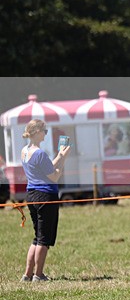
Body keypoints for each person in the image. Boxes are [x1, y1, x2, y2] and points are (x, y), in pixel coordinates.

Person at [20, 119, 71, 282]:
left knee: (37, 236)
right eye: (45, 131)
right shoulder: (40, 153)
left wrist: (59, 156)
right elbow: (54, 176)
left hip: (32, 195)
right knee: (44, 238)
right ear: (37, 132)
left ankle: (27, 274)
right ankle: (38, 274)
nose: (46, 134)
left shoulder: (25, 151)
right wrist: (63, 160)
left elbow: (46, 168)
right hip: (45, 196)